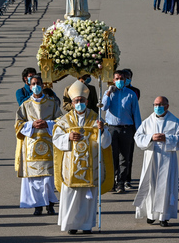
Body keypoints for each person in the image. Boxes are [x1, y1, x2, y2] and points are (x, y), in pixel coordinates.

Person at [53, 80, 113, 234]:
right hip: (71, 167)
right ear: (72, 103)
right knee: (71, 197)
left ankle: (87, 225)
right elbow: (56, 138)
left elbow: (105, 143)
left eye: (82, 100)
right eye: (76, 101)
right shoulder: (64, 120)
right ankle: (71, 225)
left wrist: (102, 130)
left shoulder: (96, 118)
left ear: (87, 101)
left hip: (90, 166)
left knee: (88, 199)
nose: (79, 103)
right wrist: (67, 136)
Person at [133, 96, 179, 227]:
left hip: (167, 159)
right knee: (150, 185)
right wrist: (151, 137)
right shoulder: (148, 121)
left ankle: (164, 216)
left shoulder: (175, 122)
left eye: (161, 104)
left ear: (167, 106)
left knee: (166, 186)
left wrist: (167, 138)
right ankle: (151, 215)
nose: (158, 107)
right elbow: (138, 136)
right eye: (156, 104)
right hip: (151, 157)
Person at [15, 75, 61, 215]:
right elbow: (18, 124)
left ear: (43, 85)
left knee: (48, 178)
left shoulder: (52, 103)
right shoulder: (25, 105)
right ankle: (37, 206)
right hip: (32, 146)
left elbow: (60, 120)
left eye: (38, 83)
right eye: (33, 83)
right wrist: (31, 124)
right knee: (34, 180)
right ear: (30, 86)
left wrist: (48, 123)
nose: (36, 86)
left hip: (48, 144)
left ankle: (50, 205)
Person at [102, 70, 141, 193]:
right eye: (117, 79)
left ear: (125, 80)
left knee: (124, 157)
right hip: (112, 129)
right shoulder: (108, 93)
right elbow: (103, 107)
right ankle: (112, 181)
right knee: (112, 156)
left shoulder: (131, 94)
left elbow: (136, 113)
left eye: (122, 79)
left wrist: (138, 131)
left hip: (126, 129)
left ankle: (121, 182)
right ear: (113, 80)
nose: (119, 81)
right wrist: (108, 92)